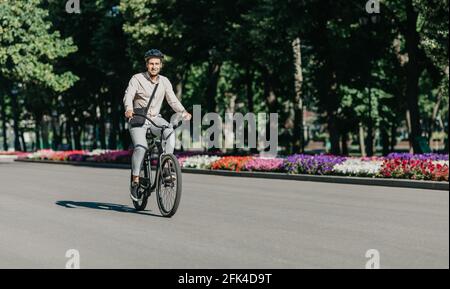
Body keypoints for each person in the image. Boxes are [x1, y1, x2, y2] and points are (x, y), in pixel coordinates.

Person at [123, 49, 191, 201]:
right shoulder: (137, 78)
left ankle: (166, 166)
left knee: (169, 132)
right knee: (141, 147)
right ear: (147, 64)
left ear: (161, 65)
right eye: (151, 63)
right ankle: (135, 180)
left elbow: (172, 100)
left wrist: (183, 112)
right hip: (138, 119)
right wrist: (129, 109)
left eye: (157, 64)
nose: (154, 66)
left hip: (155, 119)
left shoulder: (165, 81)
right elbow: (128, 96)